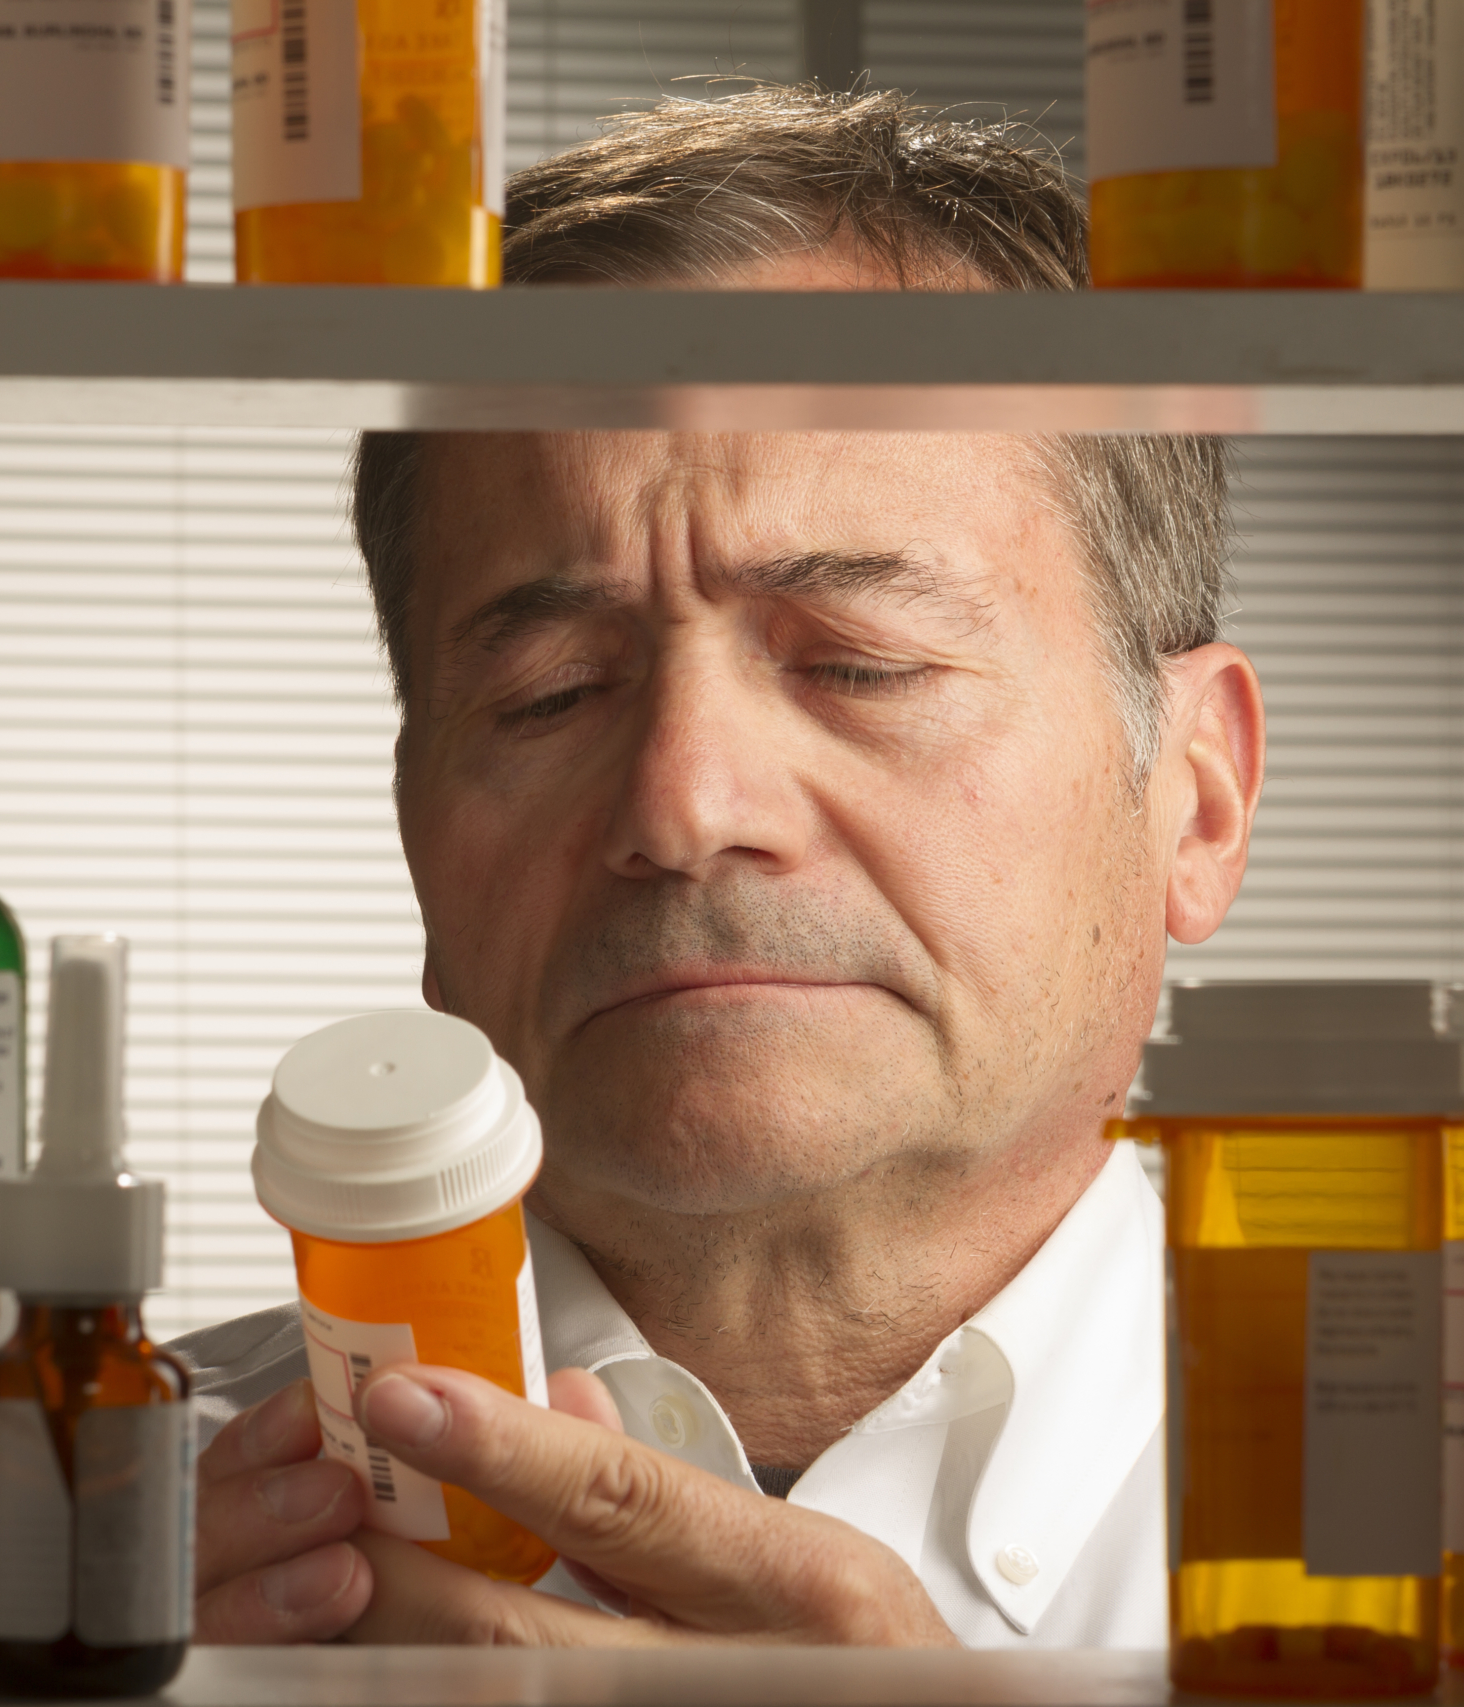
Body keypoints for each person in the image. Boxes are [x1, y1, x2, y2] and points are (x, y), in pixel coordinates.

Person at [173, 83, 1264, 1649]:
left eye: (858, 664)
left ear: (1198, 802)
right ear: (419, 829)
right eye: (549, 693)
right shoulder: (104, 1544)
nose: (684, 807)